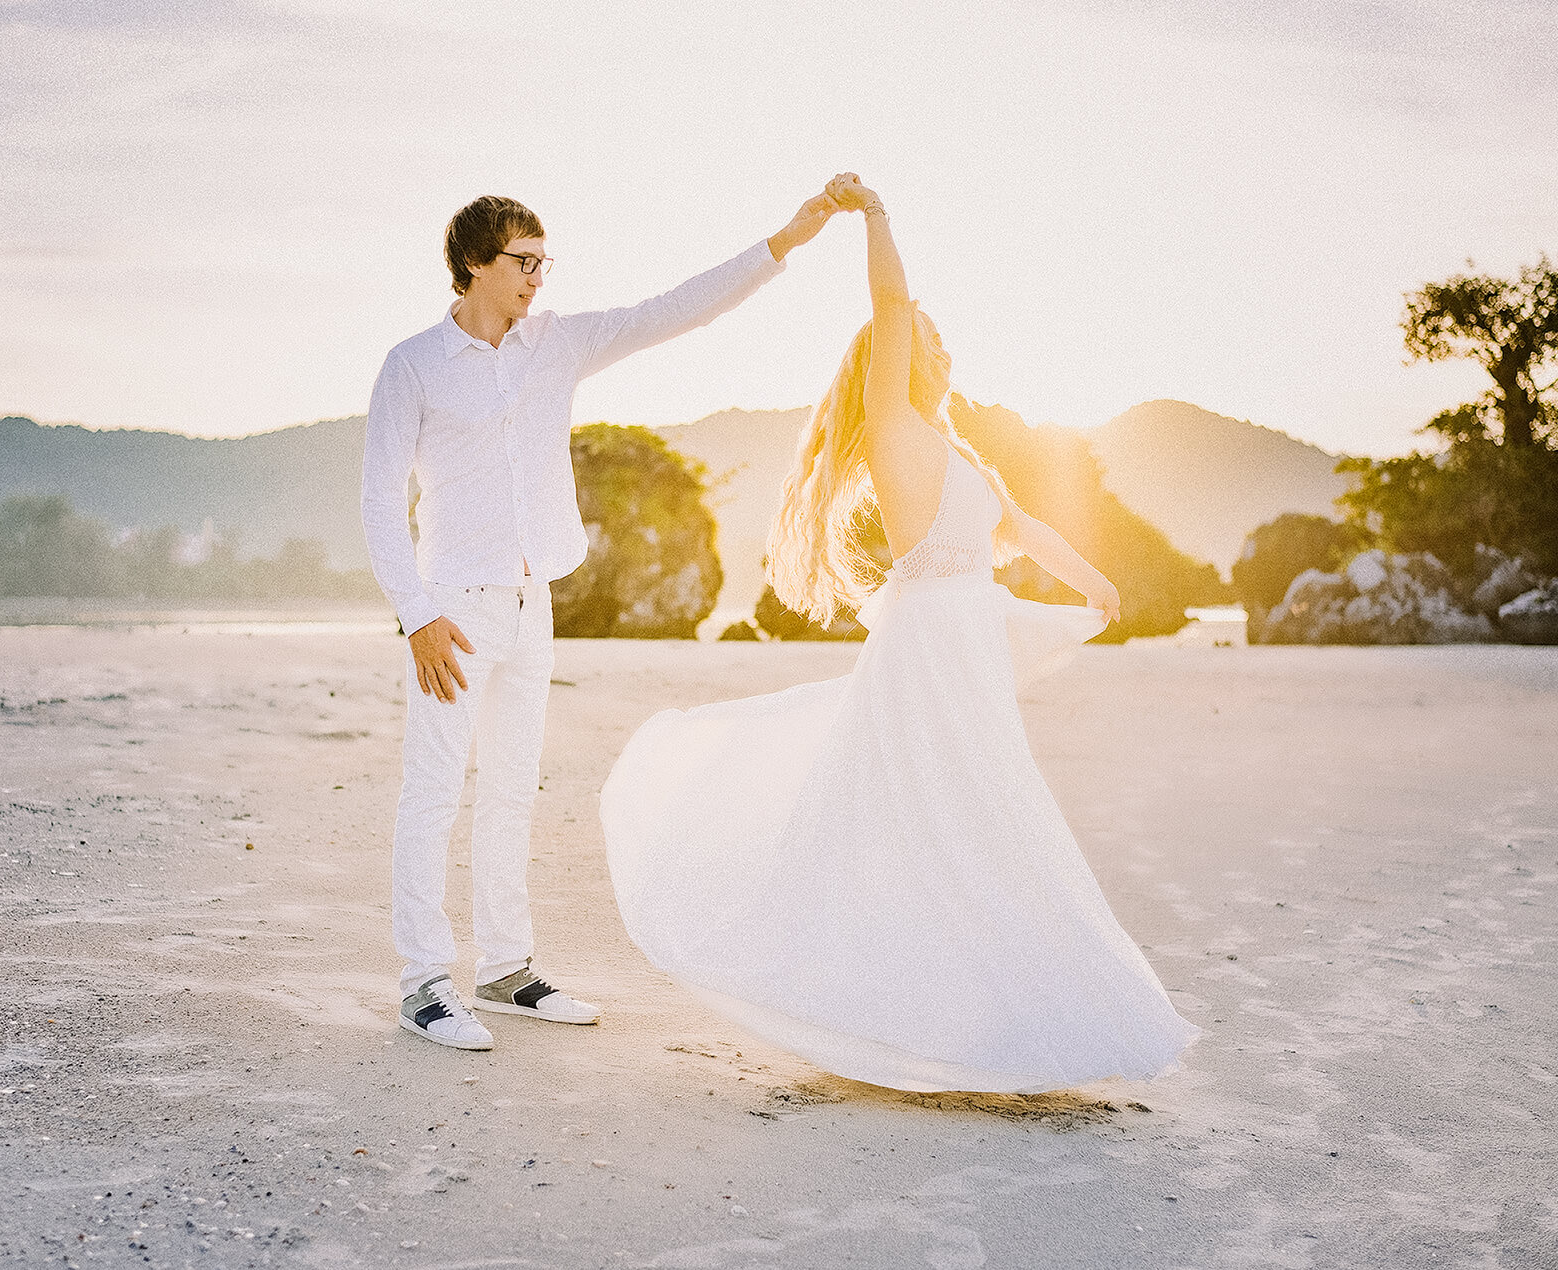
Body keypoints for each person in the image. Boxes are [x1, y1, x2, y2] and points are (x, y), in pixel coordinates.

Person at [599, 174, 1199, 1092]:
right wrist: (874, 218)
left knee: (984, 814)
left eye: (938, 333)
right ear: (894, 353)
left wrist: (1096, 584)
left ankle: (1000, 1016)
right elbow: (890, 302)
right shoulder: (895, 429)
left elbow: (1022, 529)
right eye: (927, 334)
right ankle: (924, 1014)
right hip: (926, 649)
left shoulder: (955, 447)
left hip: (964, 646)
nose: (940, 341)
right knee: (935, 813)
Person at [362, 186, 846, 1050]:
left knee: (512, 791)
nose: (538, 278)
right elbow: (376, 499)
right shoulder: (413, 365)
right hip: (454, 612)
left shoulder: (559, 343)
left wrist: (786, 241)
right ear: (475, 262)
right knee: (433, 795)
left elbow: (675, 311)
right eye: (524, 262)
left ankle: (507, 969)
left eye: (546, 262)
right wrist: (417, 616)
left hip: (531, 602)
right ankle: (424, 982)